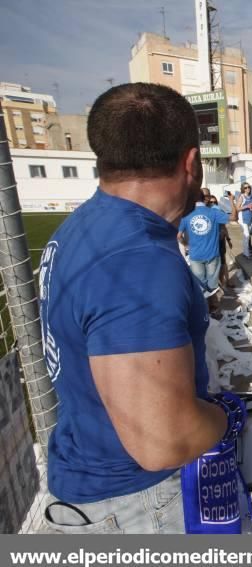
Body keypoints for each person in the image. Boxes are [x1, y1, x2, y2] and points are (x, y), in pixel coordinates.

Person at [37, 82, 228, 534]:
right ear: (190, 162)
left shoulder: (84, 225)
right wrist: (225, 417)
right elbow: (161, 441)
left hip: (93, 481)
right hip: (135, 504)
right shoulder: (137, 263)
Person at [179, 187, 238, 305]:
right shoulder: (214, 212)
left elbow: (178, 236)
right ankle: (214, 307)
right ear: (204, 199)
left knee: (200, 285)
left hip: (195, 255)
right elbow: (234, 218)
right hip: (212, 255)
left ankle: (204, 309)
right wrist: (231, 200)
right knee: (212, 284)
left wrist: (186, 245)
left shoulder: (186, 215)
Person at [236, 182, 252, 258]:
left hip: (249, 217)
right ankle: (246, 253)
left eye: (248, 187)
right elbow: (237, 208)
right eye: (245, 188)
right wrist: (247, 206)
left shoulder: (251, 197)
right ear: (243, 189)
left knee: (248, 235)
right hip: (242, 218)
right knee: (246, 235)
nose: (247, 189)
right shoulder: (242, 197)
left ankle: (248, 250)